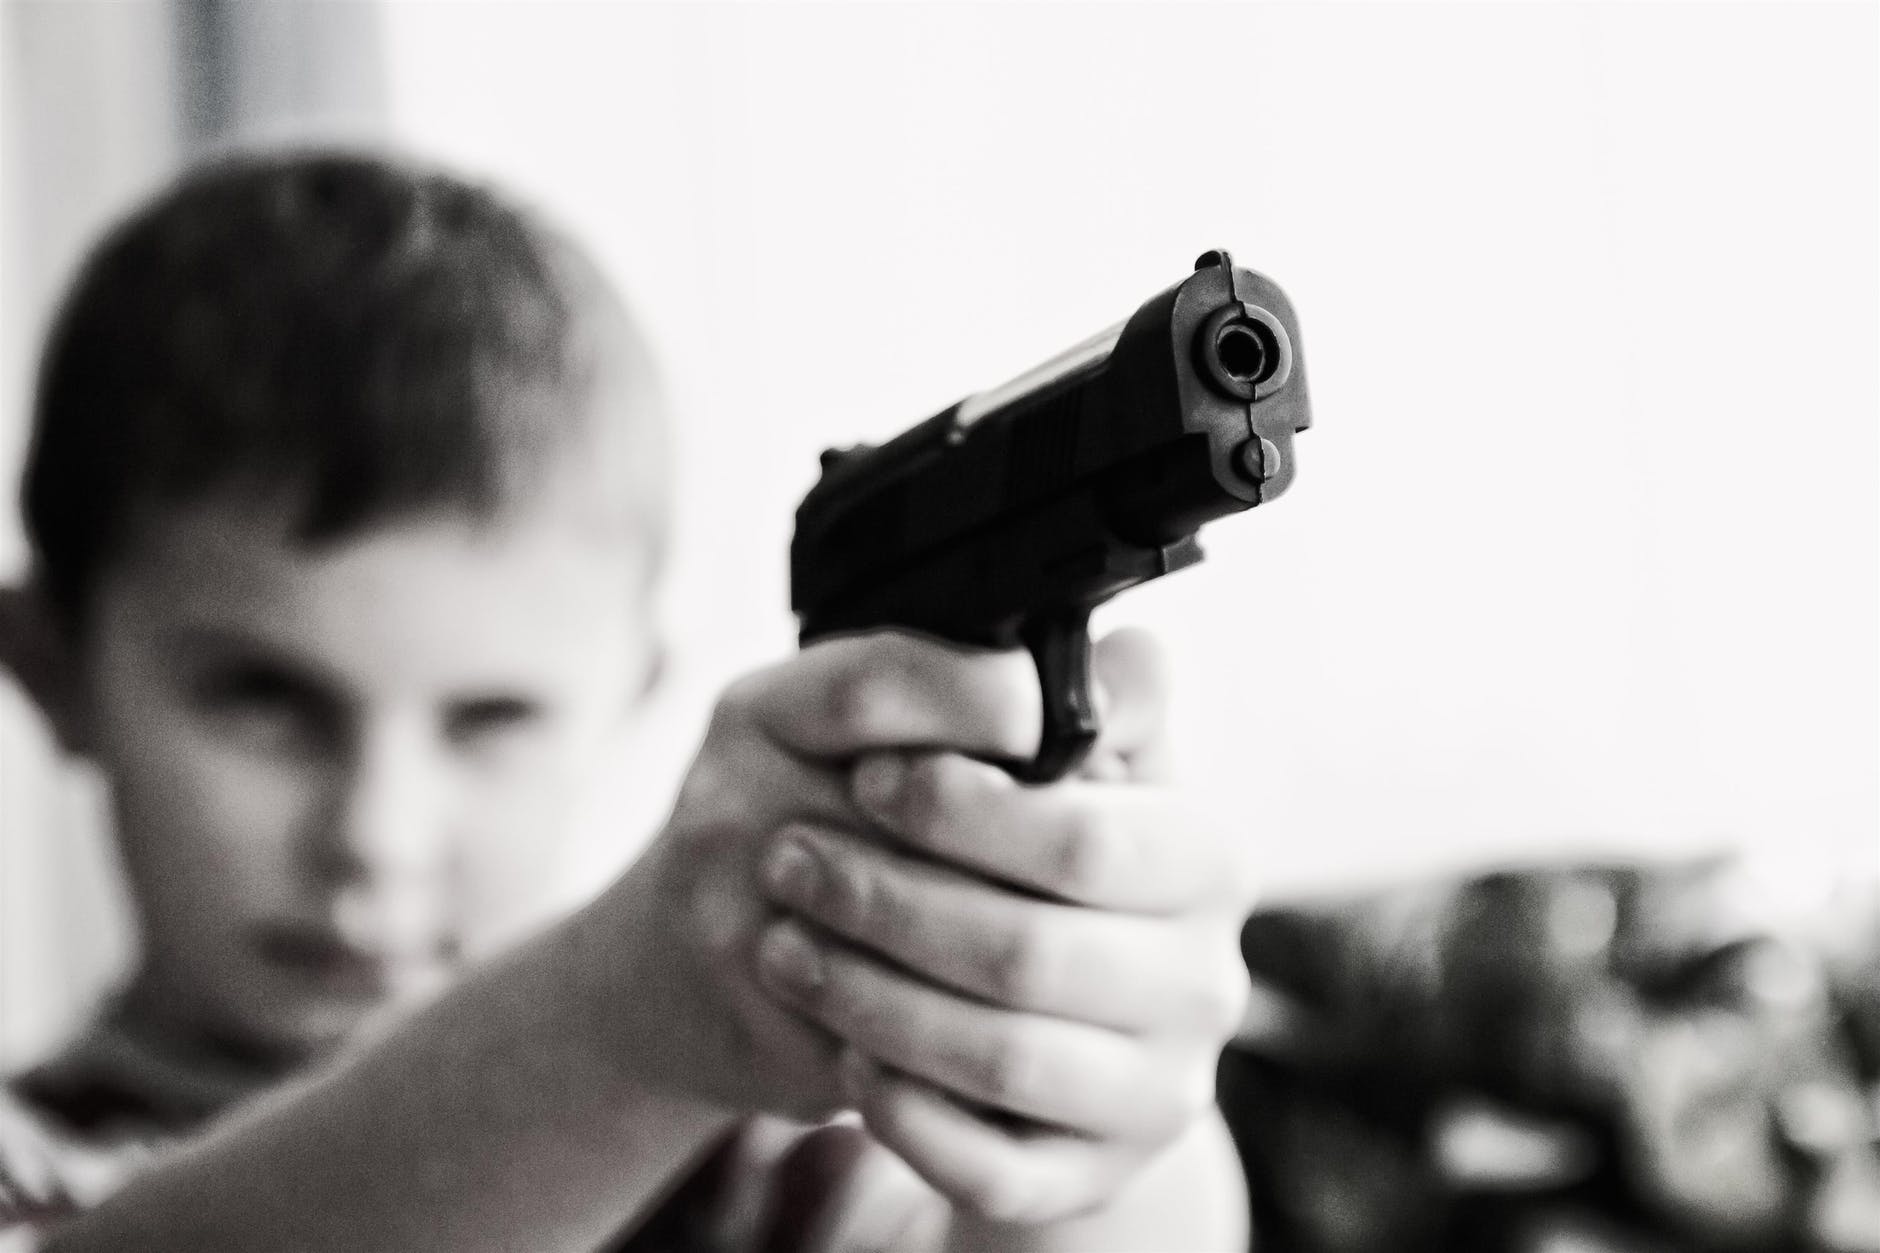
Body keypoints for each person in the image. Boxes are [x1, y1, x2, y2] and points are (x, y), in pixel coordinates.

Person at [0, 149, 1254, 1251]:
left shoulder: (769, 1178)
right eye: (264, 701)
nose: (376, 834)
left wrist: (1097, 1117)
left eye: (491, 718)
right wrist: (624, 1019)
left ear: (631, 695)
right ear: (50, 666)